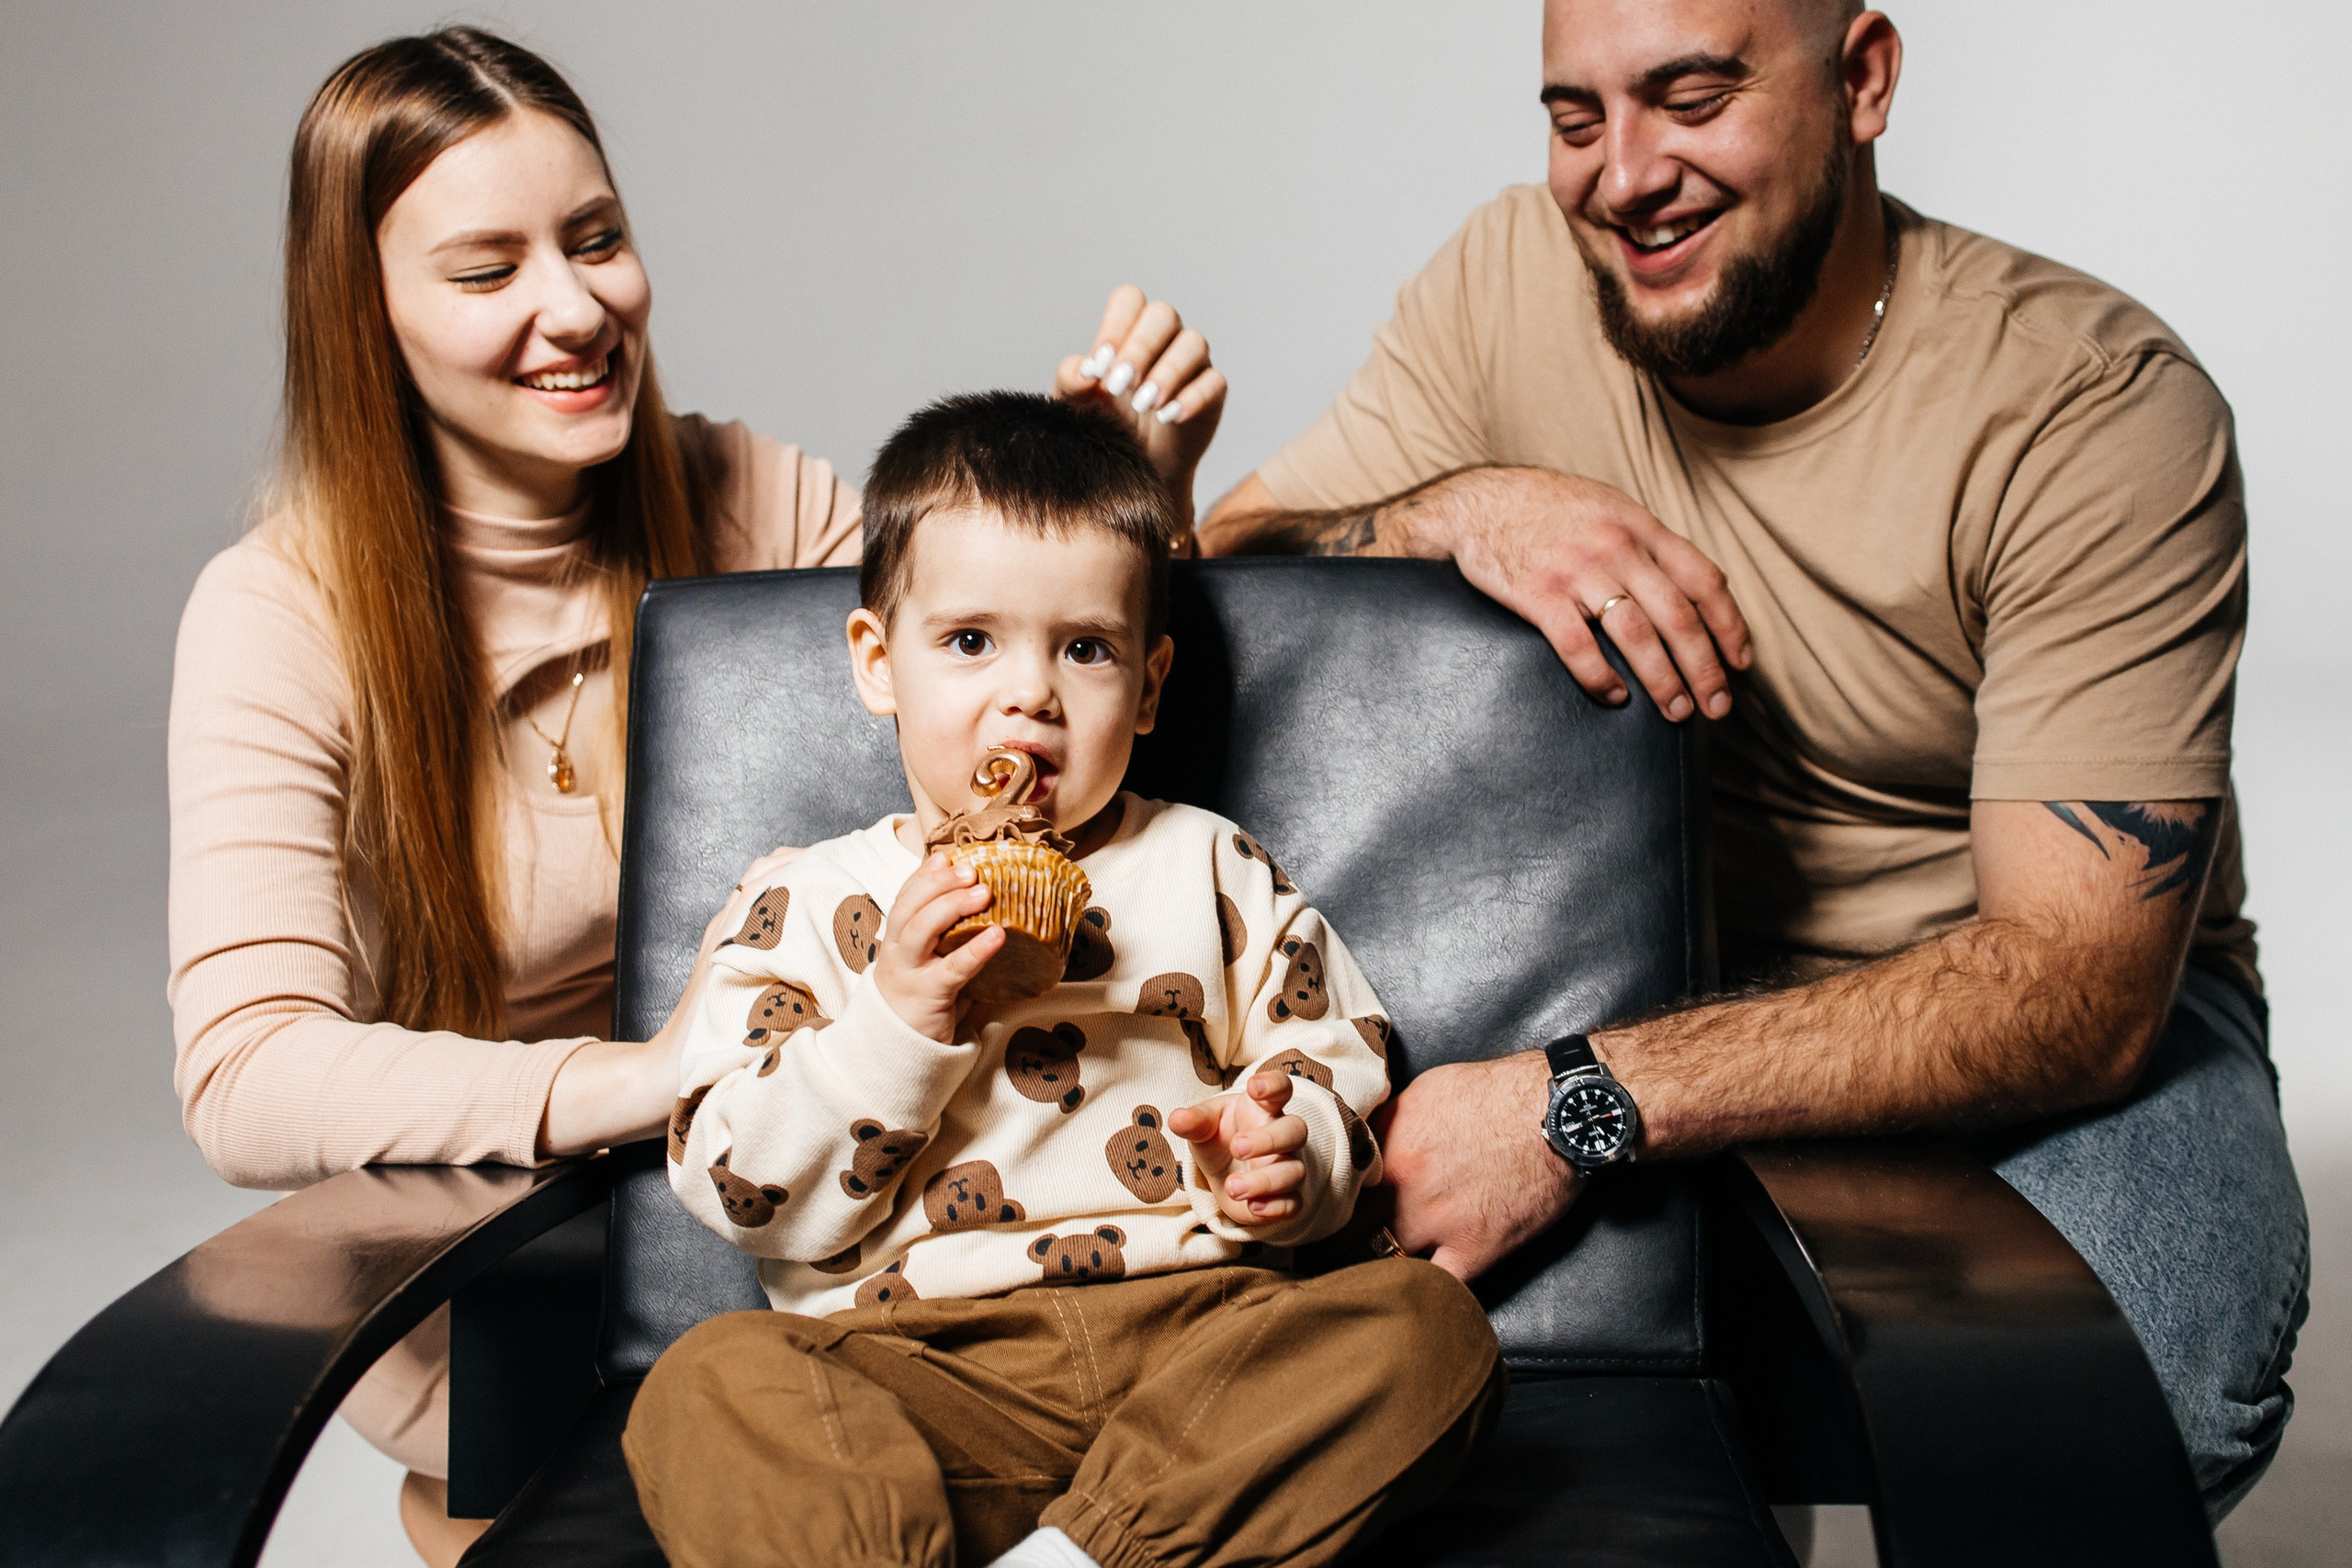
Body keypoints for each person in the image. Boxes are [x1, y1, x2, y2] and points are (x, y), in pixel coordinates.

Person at [1197, 0, 2306, 1517]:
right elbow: (1230, 563)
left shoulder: (2089, 405)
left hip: (2026, 1017)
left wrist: (1570, 1104)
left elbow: (2076, 982)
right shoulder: (1511, 279)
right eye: (1576, 120)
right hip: (1645, 971)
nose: (1625, 174)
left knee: (2113, 1411)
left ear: (1863, 80)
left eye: (1694, 97)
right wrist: (1448, 509)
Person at [165, 28, 1227, 1566]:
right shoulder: (277, 613)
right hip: (508, 1229)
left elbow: (1019, 696)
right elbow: (249, 1071)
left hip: (824, 1143)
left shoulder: (748, 493)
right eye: (489, 269)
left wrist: (1122, 485)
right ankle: (485, 1504)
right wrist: (643, 1077)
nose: (577, 305)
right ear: (365, 310)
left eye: (596, 239)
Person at [623, 393, 1502, 1568]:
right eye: (971, 641)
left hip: (1200, 1359)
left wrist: (1288, 1154)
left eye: (1084, 649)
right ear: (879, 665)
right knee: (709, 1386)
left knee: (1427, 1331)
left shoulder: (1210, 866)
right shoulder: (797, 903)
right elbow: (744, 1192)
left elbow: (1337, 1056)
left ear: (1146, 686)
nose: (1030, 694)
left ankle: (1084, 1559)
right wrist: (894, 1021)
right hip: (918, 1376)